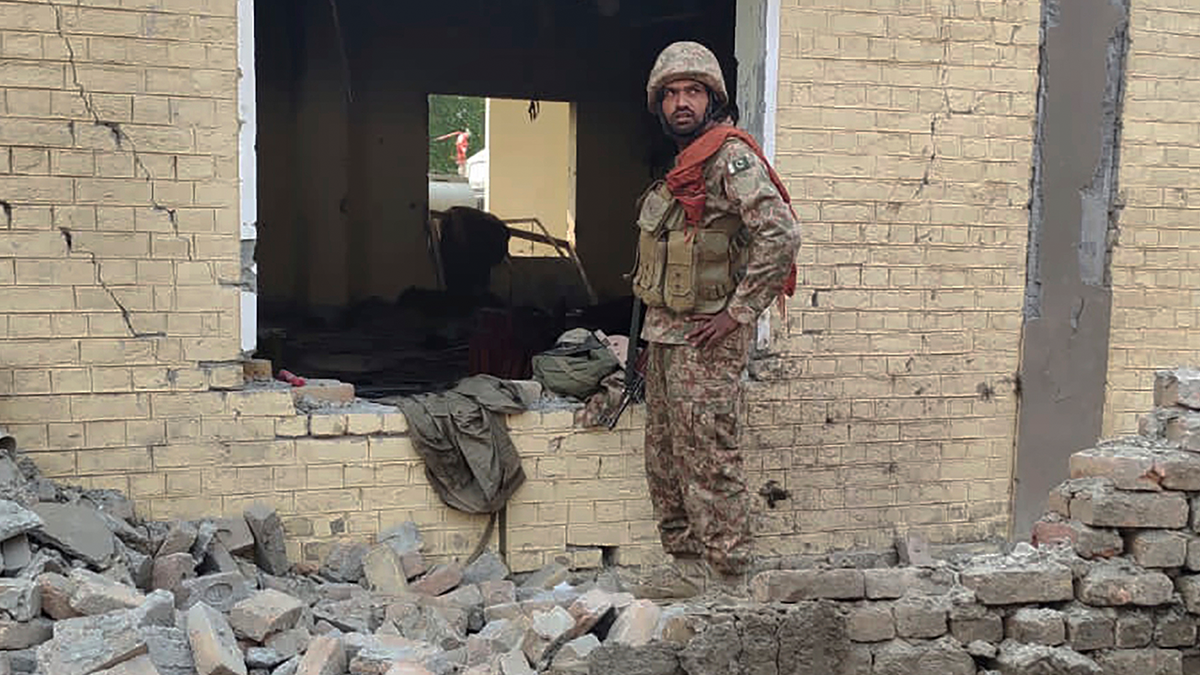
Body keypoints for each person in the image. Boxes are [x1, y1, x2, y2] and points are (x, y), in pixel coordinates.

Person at [631, 41, 801, 581]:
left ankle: (729, 577)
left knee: (709, 459)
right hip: (665, 336)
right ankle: (685, 567)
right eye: (672, 93)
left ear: (712, 99)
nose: (682, 102)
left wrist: (740, 312)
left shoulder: (730, 157)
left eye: (693, 92)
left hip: (707, 341)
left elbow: (780, 234)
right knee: (663, 459)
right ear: (660, 104)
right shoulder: (683, 164)